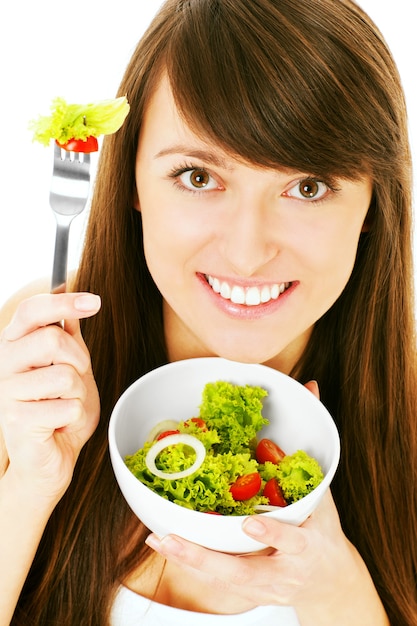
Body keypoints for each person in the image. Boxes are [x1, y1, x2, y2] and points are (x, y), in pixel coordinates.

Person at [1, 0, 416, 623]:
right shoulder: (37, 349)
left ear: (372, 206)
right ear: (132, 181)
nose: (247, 253)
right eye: (198, 177)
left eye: (307, 187)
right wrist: (29, 486)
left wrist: (335, 592)